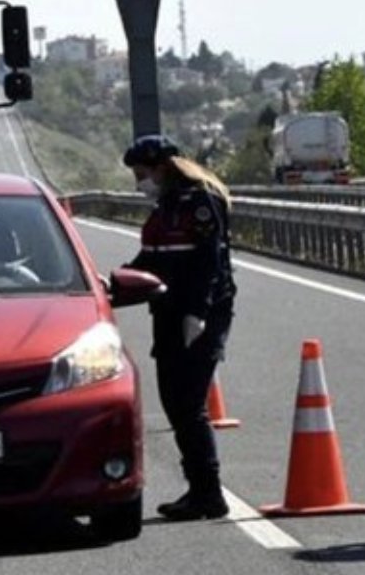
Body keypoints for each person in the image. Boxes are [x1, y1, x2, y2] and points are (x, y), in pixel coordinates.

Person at [112, 133, 237, 521]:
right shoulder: (165, 206)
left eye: (142, 173)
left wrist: (196, 313)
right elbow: (149, 259)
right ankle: (198, 490)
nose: (139, 181)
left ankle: (208, 492)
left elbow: (209, 262)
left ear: (163, 167)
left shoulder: (200, 201)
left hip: (199, 314)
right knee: (173, 401)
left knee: (188, 403)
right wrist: (111, 285)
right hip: (167, 312)